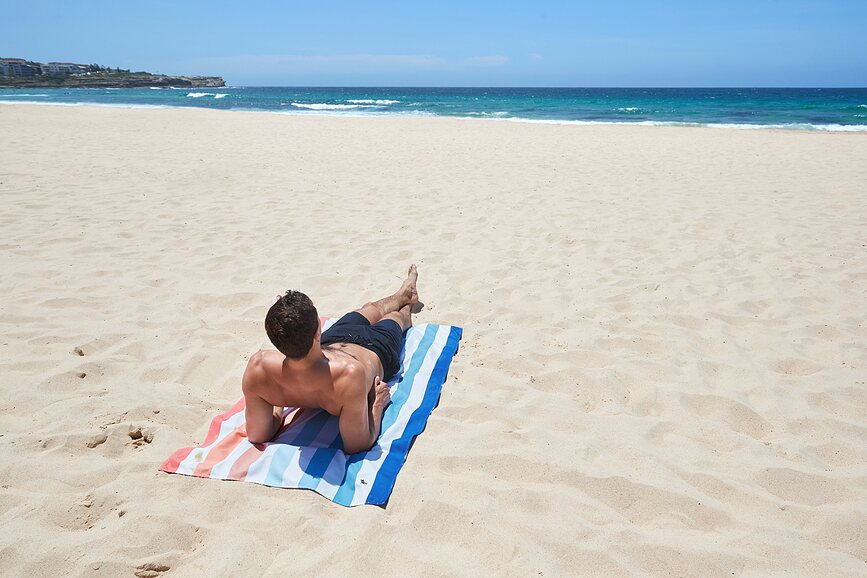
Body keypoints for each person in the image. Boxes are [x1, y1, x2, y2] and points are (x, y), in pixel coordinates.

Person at [242, 265, 420, 453]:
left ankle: (403, 293)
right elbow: (358, 444)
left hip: (331, 341)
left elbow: (258, 434)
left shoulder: (258, 367)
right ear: (318, 329)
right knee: (396, 317)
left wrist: (278, 408)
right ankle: (408, 303)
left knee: (369, 308)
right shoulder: (349, 375)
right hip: (376, 350)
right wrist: (378, 404)